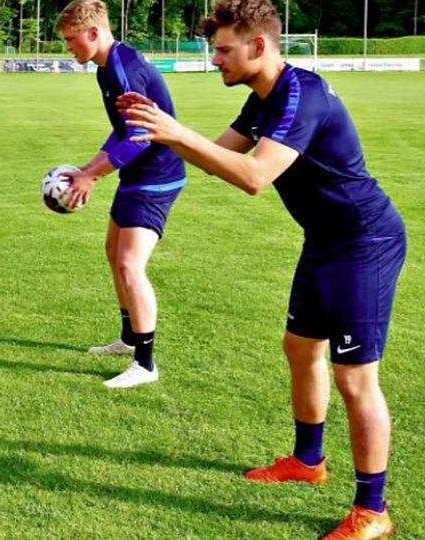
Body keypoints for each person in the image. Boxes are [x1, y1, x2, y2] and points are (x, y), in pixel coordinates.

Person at [119, 1, 405, 537]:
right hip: (325, 241)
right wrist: (155, 136)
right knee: (301, 349)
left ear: (258, 46)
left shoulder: (301, 95)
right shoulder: (262, 99)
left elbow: (254, 176)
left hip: (365, 241)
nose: (215, 61)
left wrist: (177, 134)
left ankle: (373, 510)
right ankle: (309, 461)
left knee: (356, 378)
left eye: (223, 51)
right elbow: (217, 155)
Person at [54, 0, 187, 388]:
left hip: (156, 176)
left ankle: (145, 364)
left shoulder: (123, 70)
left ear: (93, 33)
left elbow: (139, 137)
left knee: (130, 265)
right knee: (114, 252)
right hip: (138, 175)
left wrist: (92, 176)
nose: (68, 48)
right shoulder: (107, 67)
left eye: (71, 39)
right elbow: (121, 129)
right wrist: (88, 169)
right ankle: (130, 340)